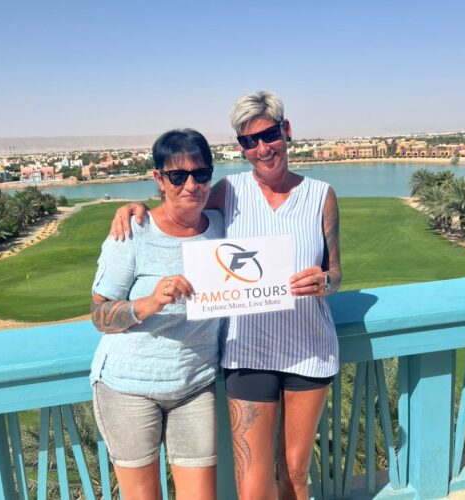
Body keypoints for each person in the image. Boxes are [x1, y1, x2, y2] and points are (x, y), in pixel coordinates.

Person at [110, 91, 341, 500]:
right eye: (249, 141)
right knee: (252, 486)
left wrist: (324, 282)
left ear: (286, 131)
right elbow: (181, 207)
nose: (262, 148)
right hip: (246, 351)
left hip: (309, 350)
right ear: (241, 147)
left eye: (269, 135)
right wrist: (133, 208)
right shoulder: (226, 191)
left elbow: (335, 273)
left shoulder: (321, 195)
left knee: (295, 474)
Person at [90, 129, 224, 500]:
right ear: (159, 179)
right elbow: (99, 314)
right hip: (127, 388)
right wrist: (149, 302)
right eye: (177, 176)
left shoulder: (222, 226)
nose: (191, 185)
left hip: (194, 384)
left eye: (201, 173)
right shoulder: (133, 232)